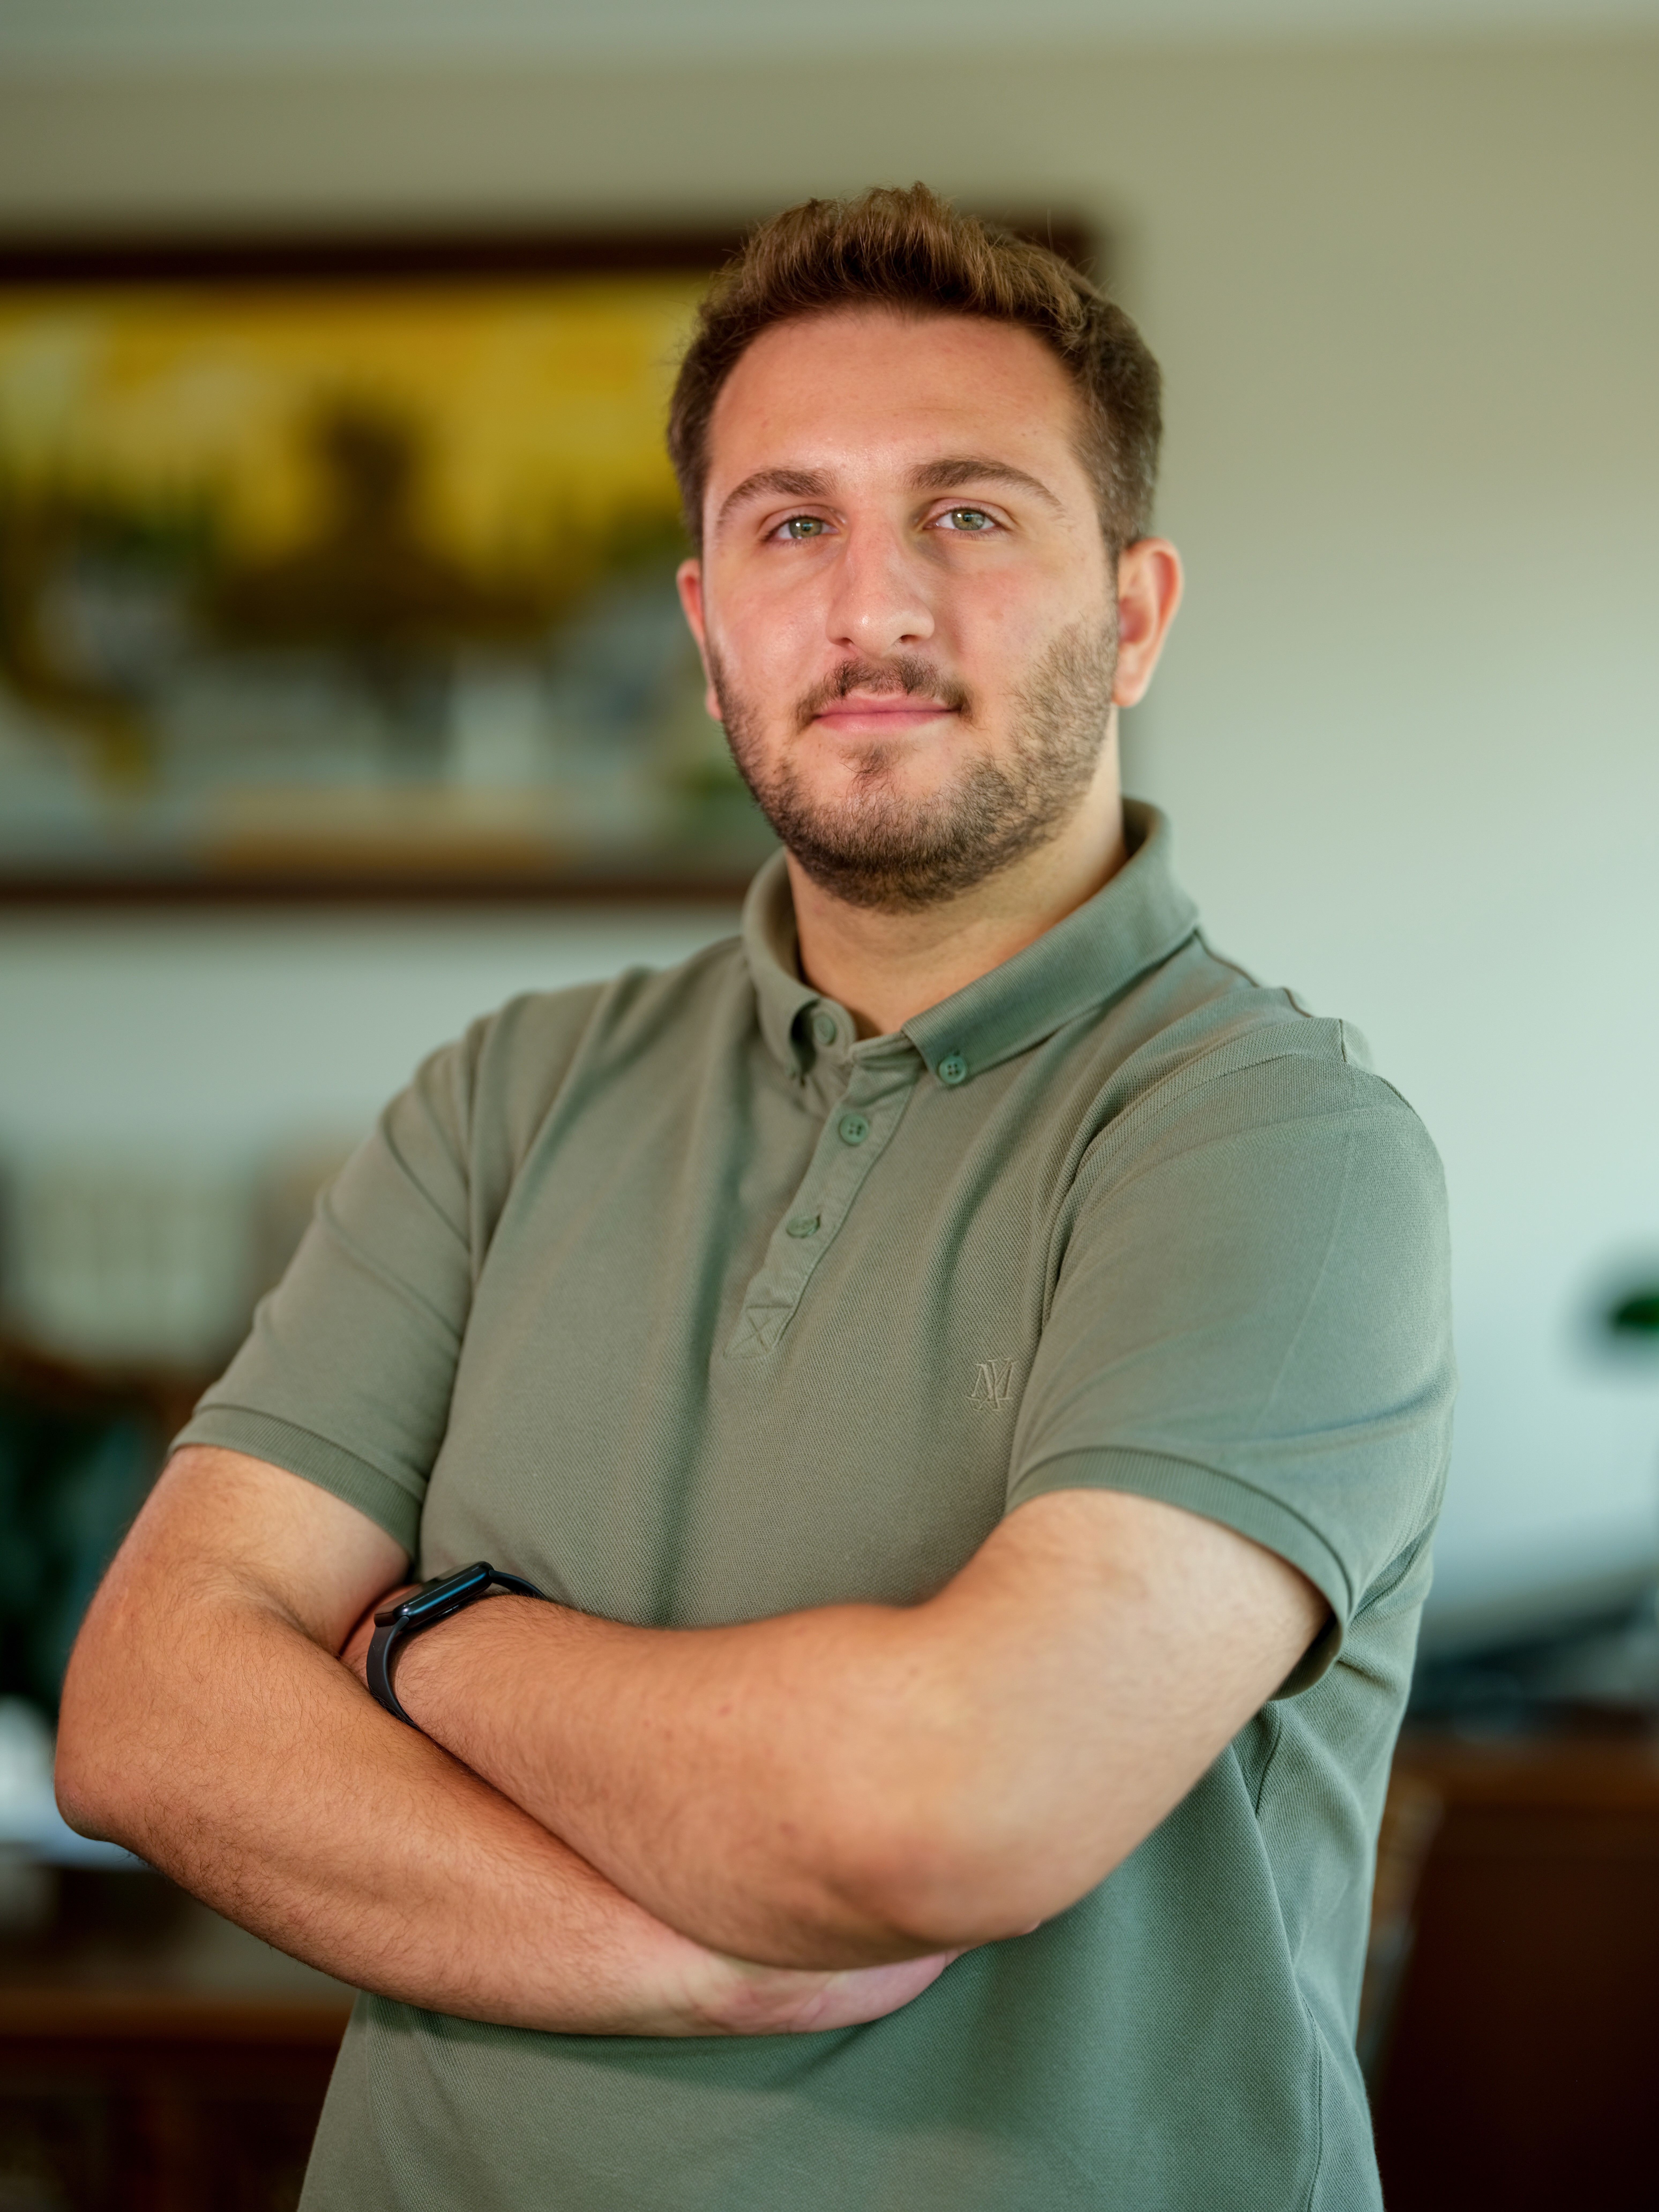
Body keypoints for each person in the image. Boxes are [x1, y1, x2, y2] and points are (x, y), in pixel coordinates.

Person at [57, 186, 1454, 2211]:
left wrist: (426, 1633)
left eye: (969, 512)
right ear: (711, 630)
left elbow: (940, 1811)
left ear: (1136, 615)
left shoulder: (1278, 1144)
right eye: (792, 525)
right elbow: (142, 1713)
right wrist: (694, 1966)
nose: (874, 605)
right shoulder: (505, 1097)